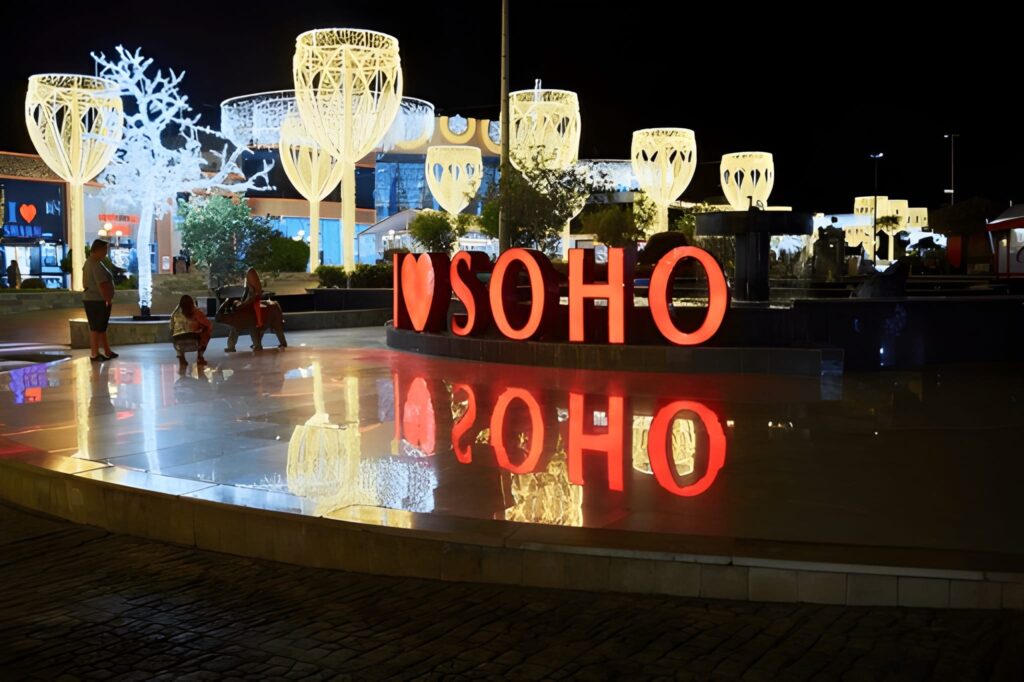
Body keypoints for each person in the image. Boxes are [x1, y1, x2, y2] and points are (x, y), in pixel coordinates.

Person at [82, 239, 117, 362]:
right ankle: (94, 353)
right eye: (104, 250)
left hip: (93, 299)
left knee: (100, 327)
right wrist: (107, 298)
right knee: (96, 327)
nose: (105, 253)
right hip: (97, 300)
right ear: (98, 250)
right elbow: (102, 284)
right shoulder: (95, 264)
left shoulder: (90, 262)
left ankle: (106, 351)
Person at [226, 267, 264, 352]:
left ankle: (231, 346)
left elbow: (253, 298)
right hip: (246, 309)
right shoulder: (249, 287)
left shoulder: (253, 290)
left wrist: (242, 304)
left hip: (248, 310)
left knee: (238, 326)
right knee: (248, 328)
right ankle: (256, 345)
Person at [169, 295, 213, 367]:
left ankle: (181, 357)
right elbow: (208, 325)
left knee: (173, 334)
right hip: (194, 340)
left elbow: (171, 327)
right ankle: (200, 357)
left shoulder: (175, 314)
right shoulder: (197, 313)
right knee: (207, 331)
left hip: (178, 342)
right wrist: (201, 330)